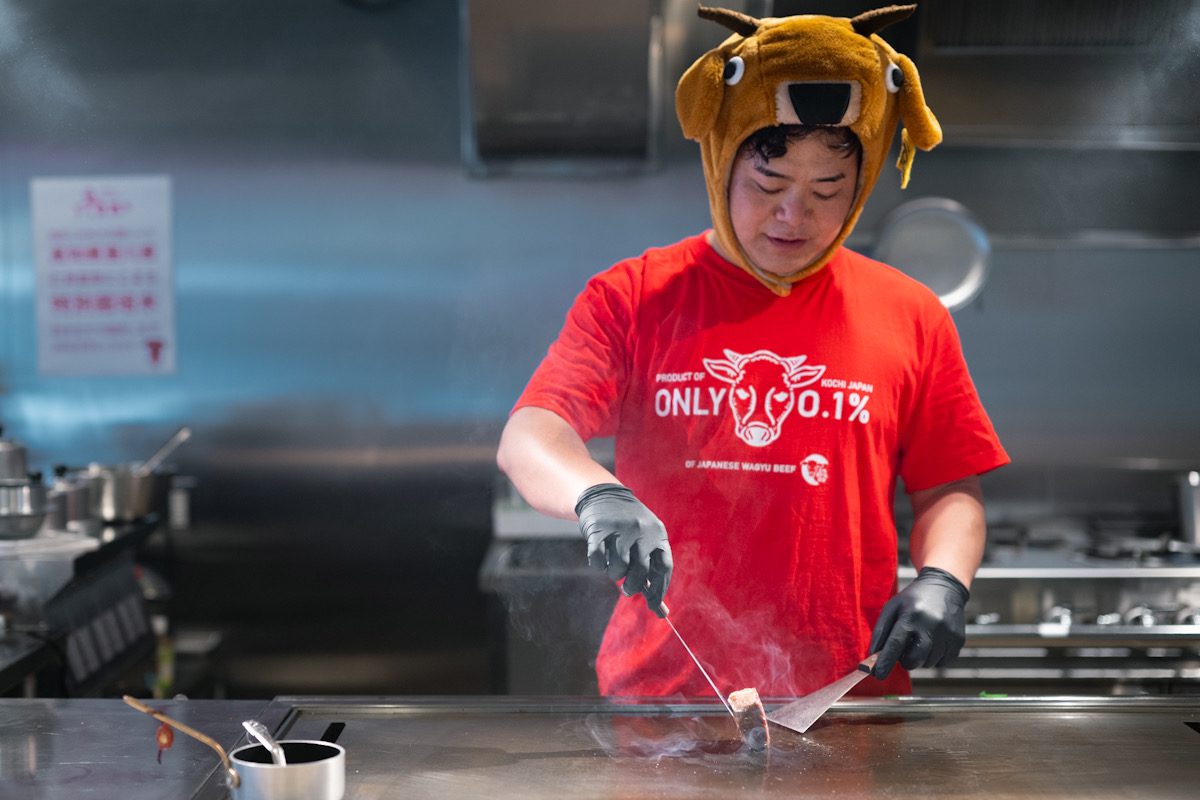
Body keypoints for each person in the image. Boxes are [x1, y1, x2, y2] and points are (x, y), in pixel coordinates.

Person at [496, 5, 1008, 698]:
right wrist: (597, 493)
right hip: (663, 697)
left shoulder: (911, 313)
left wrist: (945, 578)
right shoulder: (635, 295)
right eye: (767, 186)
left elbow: (951, 485)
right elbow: (532, 435)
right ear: (721, 161)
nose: (794, 216)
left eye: (828, 190)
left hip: (846, 699)